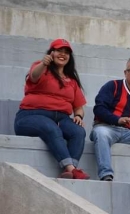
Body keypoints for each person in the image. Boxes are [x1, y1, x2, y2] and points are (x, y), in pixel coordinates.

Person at [14, 38, 90, 180]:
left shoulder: (72, 80)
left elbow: (78, 107)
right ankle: (72, 169)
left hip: (61, 118)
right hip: (30, 116)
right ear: (51, 53)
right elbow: (34, 76)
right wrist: (44, 63)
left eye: (66, 52)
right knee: (51, 128)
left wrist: (79, 116)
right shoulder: (41, 67)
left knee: (78, 131)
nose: (63, 54)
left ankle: (69, 171)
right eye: (59, 51)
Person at [91, 57, 130, 181]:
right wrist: (118, 120)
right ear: (125, 73)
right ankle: (106, 174)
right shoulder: (113, 86)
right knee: (101, 133)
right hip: (107, 128)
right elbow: (99, 109)